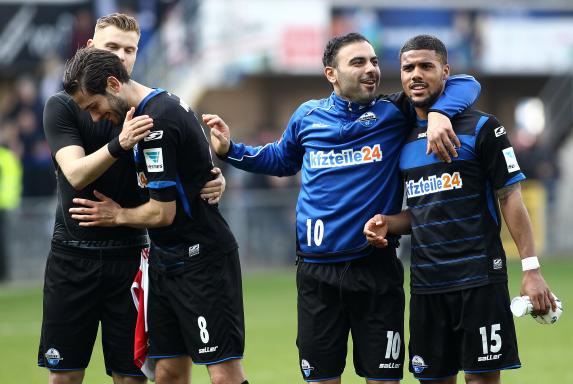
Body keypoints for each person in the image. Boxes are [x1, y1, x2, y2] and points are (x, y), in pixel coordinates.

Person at [202, 32, 481, 383]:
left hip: (376, 269)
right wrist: (230, 149)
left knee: (383, 379)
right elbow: (281, 159)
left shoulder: (394, 112)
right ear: (331, 74)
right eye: (358, 62)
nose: (371, 70)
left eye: (375, 61)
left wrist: (439, 114)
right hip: (317, 275)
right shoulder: (308, 116)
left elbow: (466, 84)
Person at [38, 13, 225, 384]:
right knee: (63, 377)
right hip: (72, 255)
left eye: (130, 49)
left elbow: (188, 168)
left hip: (132, 257)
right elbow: (75, 174)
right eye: (112, 47)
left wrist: (212, 179)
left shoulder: (153, 109)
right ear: (90, 48)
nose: (122, 57)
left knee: (132, 376)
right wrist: (119, 143)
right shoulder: (62, 105)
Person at [363, 34, 556, 384]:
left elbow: (510, 198)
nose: (416, 74)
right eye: (408, 68)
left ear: (446, 72)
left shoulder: (484, 128)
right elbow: (422, 211)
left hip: (479, 280)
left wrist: (531, 269)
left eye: (426, 66)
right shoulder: (401, 137)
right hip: (425, 285)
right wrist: (389, 223)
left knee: (481, 380)